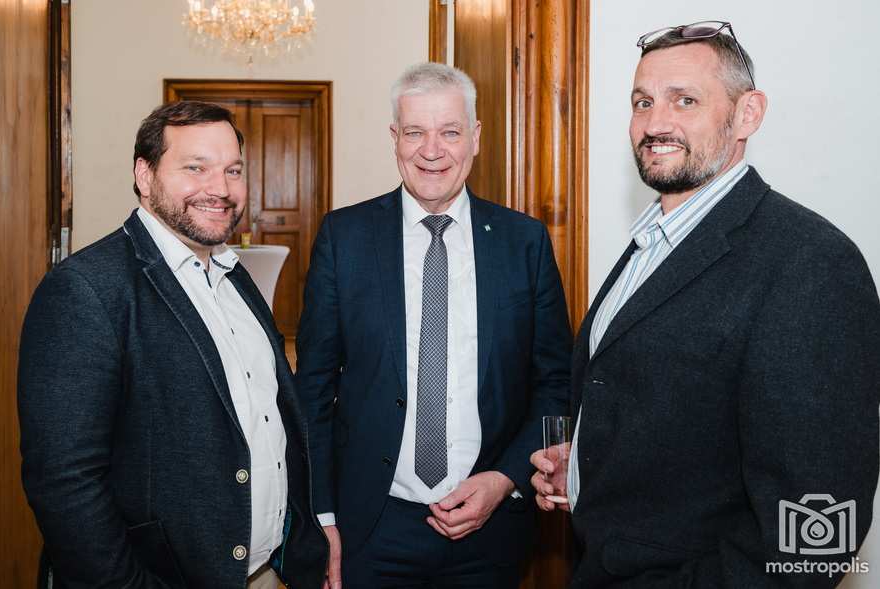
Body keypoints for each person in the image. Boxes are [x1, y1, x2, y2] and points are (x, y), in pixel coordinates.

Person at [530, 20, 880, 587]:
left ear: (748, 114)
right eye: (642, 102)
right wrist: (592, 467)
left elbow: (815, 538)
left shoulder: (810, 262)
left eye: (684, 100)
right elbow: (680, 418)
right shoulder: (652, 241)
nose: (655, 124)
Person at [18, 101, 327, 589]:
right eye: (195, 168)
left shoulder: (235, 277)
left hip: (266, 572)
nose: (220, 188)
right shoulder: (86, 289)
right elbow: (64, 481)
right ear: (145, 175)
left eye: (232, 170)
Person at [295, 62, 572, 588]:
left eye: (450, 132)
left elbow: (555, 382)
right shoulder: (344, 237)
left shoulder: (524, 242)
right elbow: (312, 391)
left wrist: (505, 478)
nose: (431, 150)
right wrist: (321, 516)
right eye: (415, 132)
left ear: (476, 138)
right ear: (394, 138)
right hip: (371, 526)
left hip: (491, 528)